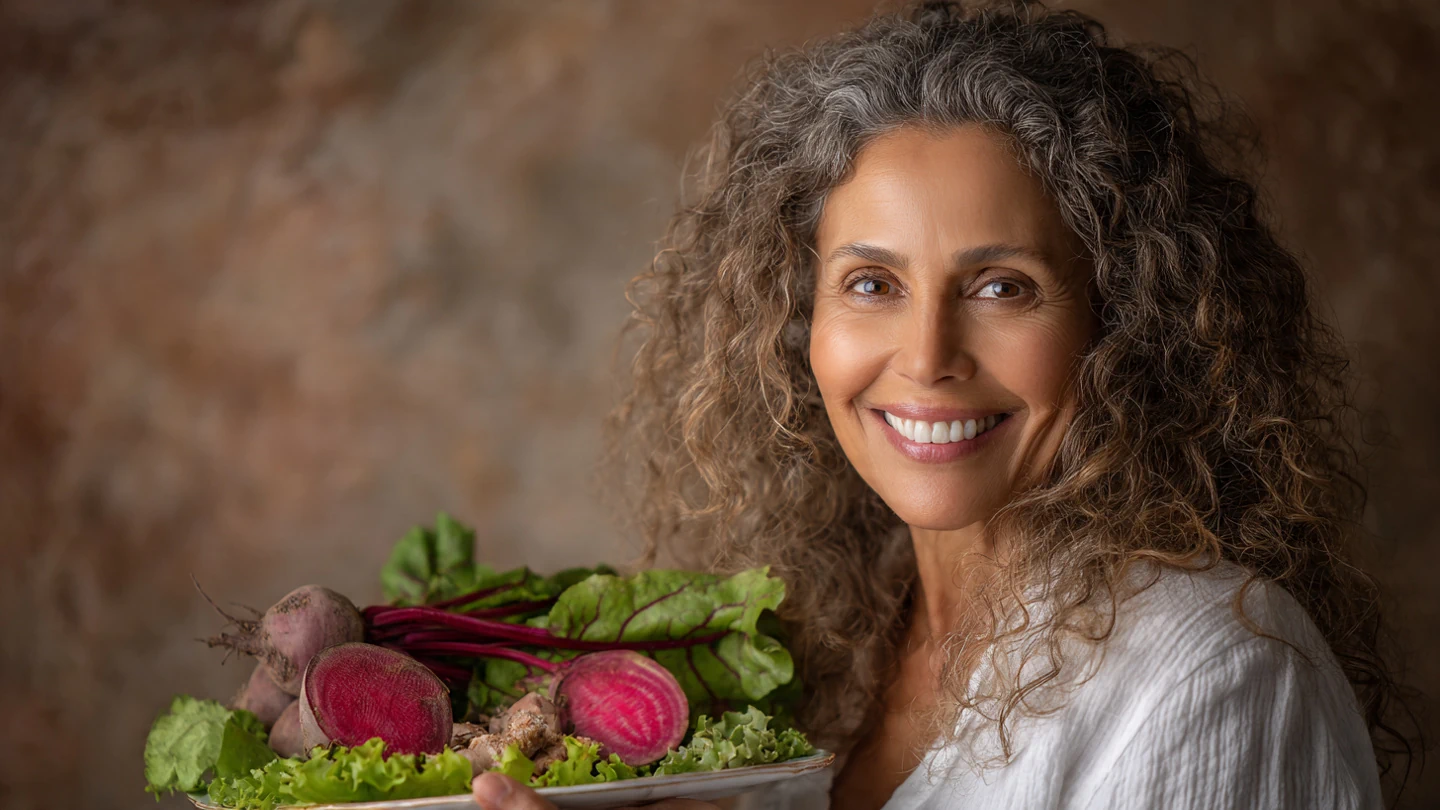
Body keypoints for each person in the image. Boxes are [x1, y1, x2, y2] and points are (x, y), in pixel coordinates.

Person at [472, 2, 1410, 808]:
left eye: (1002, 287)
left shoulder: (1219, 672)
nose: (925, 359)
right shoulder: (825, 644)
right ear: (800, 317)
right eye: (872, 284)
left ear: (1121, 320)